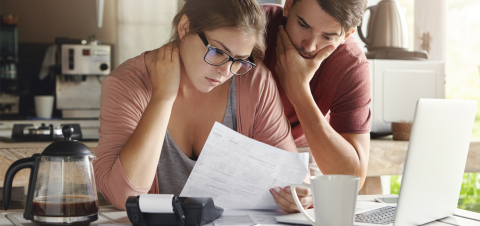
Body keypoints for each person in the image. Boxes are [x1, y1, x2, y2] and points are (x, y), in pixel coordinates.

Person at [93, 0, 309, 211]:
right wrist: (162, 98)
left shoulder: (254, 81)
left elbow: (290, 177)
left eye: (240, 60)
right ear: (185, 27)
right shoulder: (126, 84)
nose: (226, 72)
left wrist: (300, 193)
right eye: (217, 52)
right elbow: (123, 197)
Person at [262, 0, 371, 212]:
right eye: (303, 25)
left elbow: (352, 179)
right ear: (288, 5)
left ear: (347, 34)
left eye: (328, 37)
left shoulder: (350, 64)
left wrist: (298, 90)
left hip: (305, 148)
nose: (309, 46)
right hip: (237, 136)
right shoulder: (255, 25)